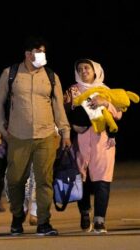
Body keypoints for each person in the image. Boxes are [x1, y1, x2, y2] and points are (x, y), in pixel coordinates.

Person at [0, 36, 71, 236]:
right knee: (15, 179)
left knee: (45, 180)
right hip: (18, 136)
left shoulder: (51, 76)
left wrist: (65, 132)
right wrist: (3, 129)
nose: (43, 56)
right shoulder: (10, 73)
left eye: (44, 52)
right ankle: (17, 216)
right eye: (39, 52)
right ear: (28, 54)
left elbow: (59, 107)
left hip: (46, 135)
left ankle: (44, 222)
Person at [64, 59, 122, 233]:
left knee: (102, 181)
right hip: (80, 141)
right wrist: (71, 124)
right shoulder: (72, 90)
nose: (83, 71)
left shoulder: (106, 91)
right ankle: (84, 212)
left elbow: (118, 114)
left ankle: (99, 221)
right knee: (81, 180)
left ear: (95, 70)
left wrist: (105, 103)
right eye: (80, 69)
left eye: (87, 68)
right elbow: (63, 112)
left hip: (103, 142)